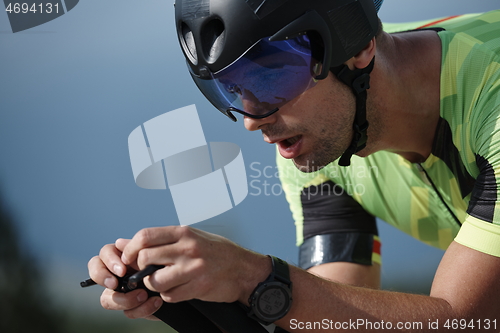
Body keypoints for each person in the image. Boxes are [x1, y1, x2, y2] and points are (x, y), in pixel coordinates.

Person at [88, 0, 500, 331]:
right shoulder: (317, 141)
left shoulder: (492, 99)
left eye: (268, 77)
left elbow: (469, 321)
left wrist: (250, 275)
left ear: (357, 48)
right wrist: (190, 296)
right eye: (230, 89)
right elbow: (339, 318)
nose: (252, 119)